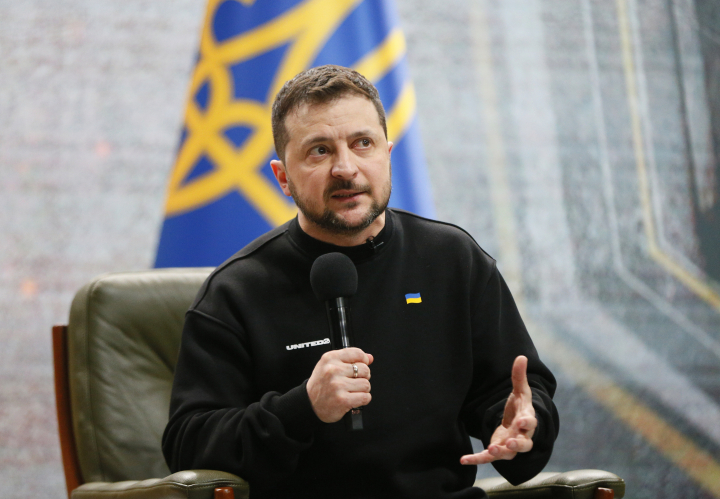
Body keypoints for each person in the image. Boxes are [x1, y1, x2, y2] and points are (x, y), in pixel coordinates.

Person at [162, 65, 559, 499]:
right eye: (319, 151)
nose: (345, 168)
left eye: (362, 143)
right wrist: (303, 407)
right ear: (283, 178)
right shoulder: (236, 292)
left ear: (387, 155)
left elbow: (514, 393)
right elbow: (188, 446)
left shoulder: (452, 259)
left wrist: (522, 424)